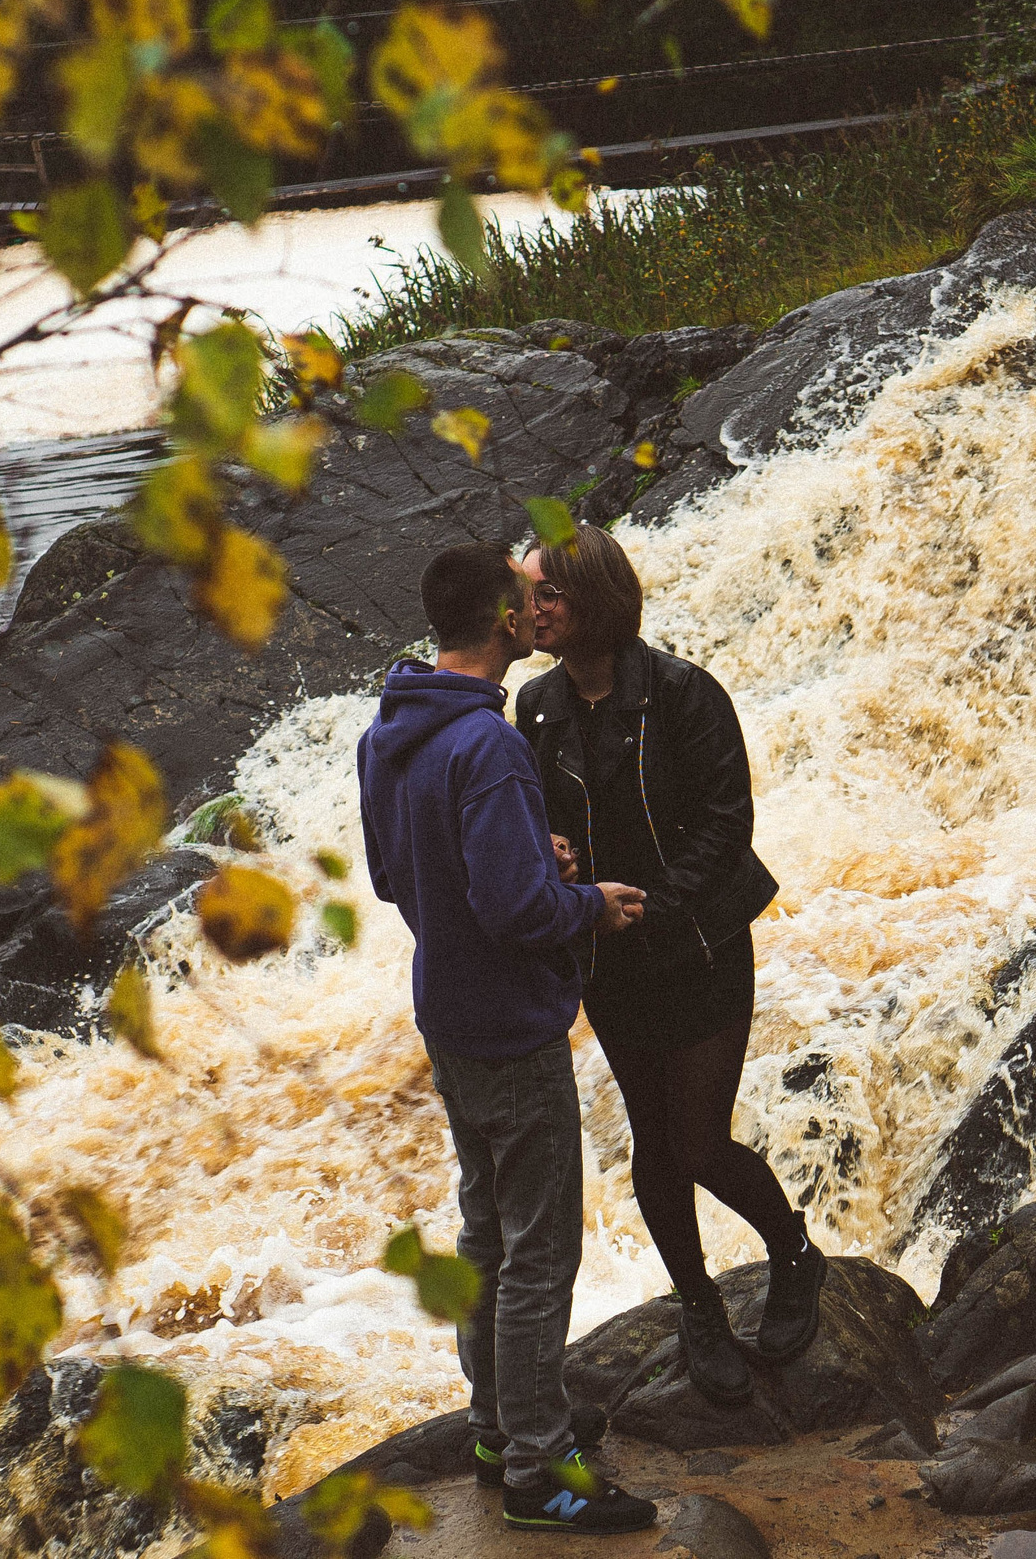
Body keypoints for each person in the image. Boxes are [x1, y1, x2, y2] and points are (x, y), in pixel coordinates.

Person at [357, 542, 658, 1535]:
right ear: (501, 620)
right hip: (510, 1022)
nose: (541, 608)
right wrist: (586, 902)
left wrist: (527, 852)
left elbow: (396, 876)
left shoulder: (391, 729)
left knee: (486, 1230)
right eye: (529, 597)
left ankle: (495, 1428)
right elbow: (517, 911)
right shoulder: (486, 745)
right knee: (539, 1249)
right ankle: (537, 1470)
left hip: (447, 1014)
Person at [515, 524, 827, 1407]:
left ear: (595, 599)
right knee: (654, 1144)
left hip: (699, 945)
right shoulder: (535, 707)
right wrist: (553, 857)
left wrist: (653, 906)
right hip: (608, 957)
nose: (532, 610)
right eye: (529, 594)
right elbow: (536, 818)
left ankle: (795, 1251)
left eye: (548, 593)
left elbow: (729, 822)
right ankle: (699, 1304)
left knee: (699, 1140)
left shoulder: (685, 693)